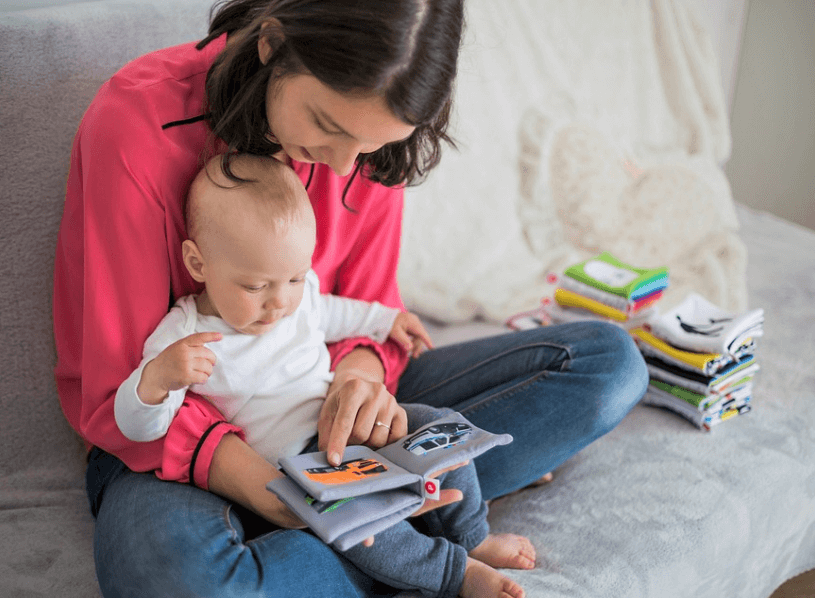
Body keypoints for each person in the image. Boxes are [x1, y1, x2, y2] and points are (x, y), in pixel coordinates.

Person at [53, 1, 649, 596]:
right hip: (168, 441)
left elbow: (365, 310)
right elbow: (122, 391)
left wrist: (359, 383)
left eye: (370, 145)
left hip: (323, 410)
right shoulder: (135, 126)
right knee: (182, 582)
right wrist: (268, 488)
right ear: (272, 44)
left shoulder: (368, 144)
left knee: (609, 365)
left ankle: (372, 528)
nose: (345, 165)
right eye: (328, 126)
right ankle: (404, 538)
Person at [112, 153, 534, 598]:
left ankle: (472, 535)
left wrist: (385, 319)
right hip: (300, 465)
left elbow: (332, 312)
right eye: (255, 287)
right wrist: (157, 379)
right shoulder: (186, 333)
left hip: (348, 422)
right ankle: (454, 573)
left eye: (294, 279)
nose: (280, 303)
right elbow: (138, 427)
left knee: (440, 426)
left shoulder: (297, 294)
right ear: (199, 265)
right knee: (363, 524)